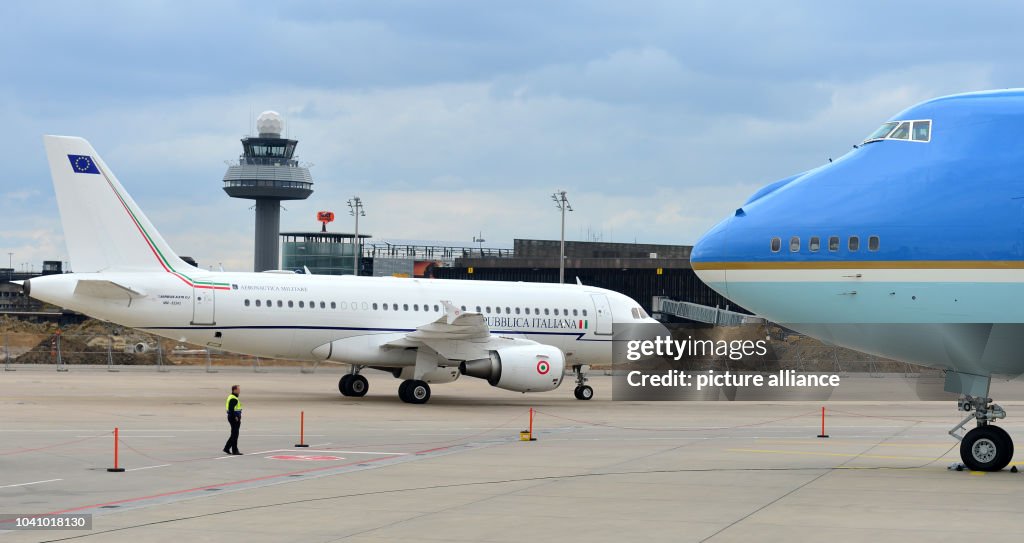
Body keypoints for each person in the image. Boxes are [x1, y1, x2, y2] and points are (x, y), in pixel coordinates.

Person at [223, 385, 243, 455]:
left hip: (232, 417)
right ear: (234, 390)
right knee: (235, 434)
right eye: (238, 389)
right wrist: (235, 417)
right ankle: (235, 450)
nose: (239, 391)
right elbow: (231, 409)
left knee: (234, 434)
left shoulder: (232, 397)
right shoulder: (233, 398)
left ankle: (227, 448)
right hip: (234, 418)